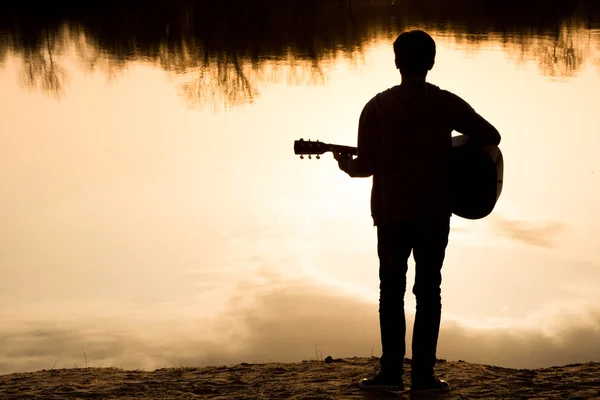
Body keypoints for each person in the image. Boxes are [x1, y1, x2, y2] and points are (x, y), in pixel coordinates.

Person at [333, 30, 501, 394]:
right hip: (435, 211)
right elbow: (491, 135)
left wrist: (348, 166)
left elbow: (367, 165)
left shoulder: (376, 106)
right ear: (432, 62)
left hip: (392, 213)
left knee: (390, 291)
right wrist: (451, 150)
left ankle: (391, 373)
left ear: (397, 63)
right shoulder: (446, 103)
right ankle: (424, 377)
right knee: (429, 291)